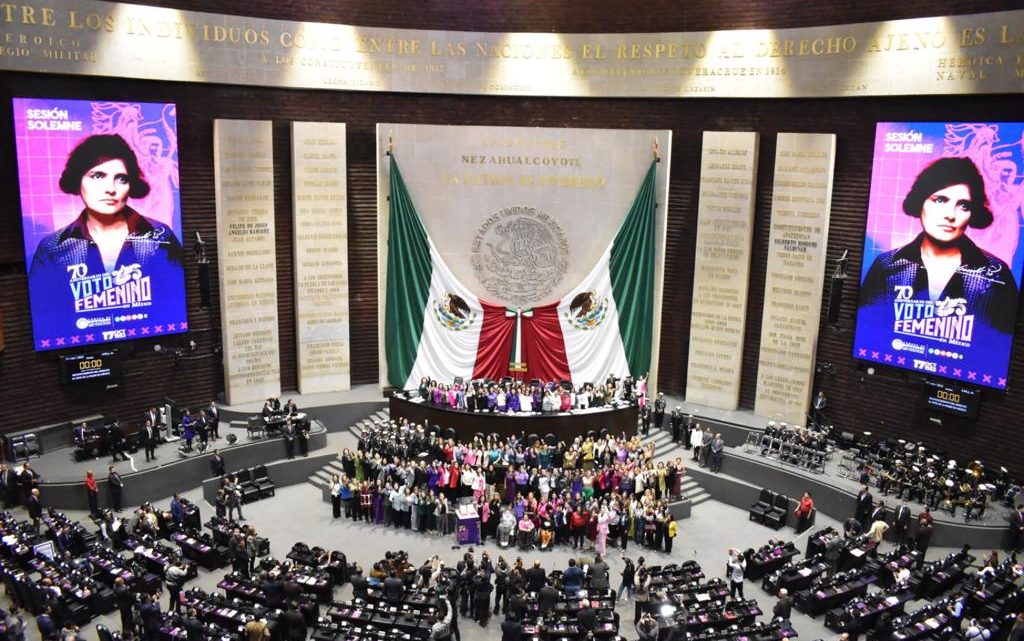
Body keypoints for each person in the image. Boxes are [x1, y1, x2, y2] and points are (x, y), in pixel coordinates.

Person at [858, 157, 1018, 368]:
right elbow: (869, 336)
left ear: (972, 213)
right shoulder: (886, 265)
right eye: (940, 200)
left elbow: (998, 355)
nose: (950, 215)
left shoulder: (996, 274)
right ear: (921, 201)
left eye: (963, 205)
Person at [27, 134, 185, 345]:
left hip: (149, 348)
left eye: (121, 178)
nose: (110, 188)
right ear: (78, 180)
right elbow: (46, 319)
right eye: (98, 175)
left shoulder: (160, 237)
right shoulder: (53, 248)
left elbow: (175, 305)